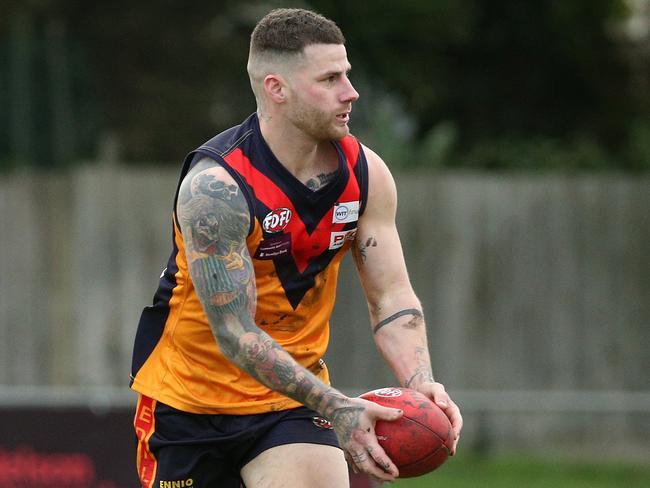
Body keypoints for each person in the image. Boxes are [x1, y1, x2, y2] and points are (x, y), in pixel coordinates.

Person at [130, 7, 462, 488]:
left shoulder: (366, 175)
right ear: (276, 89)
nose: (351, 92)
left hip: (292, 400)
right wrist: (337, 406)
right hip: (188, 404)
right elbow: (235, 334)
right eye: (330, 79)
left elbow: (391, 298)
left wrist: (420, 381)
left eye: (347, 74)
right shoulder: (216, 190)